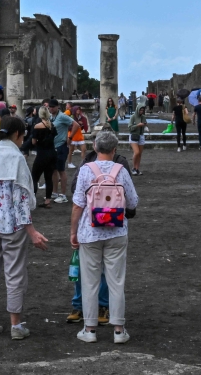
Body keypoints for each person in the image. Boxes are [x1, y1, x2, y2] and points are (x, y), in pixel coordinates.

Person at [0, 116, 49, 340]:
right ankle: (16, 326)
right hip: (11, 223)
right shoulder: (16, 158)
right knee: (14, 273)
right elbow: (21, 197)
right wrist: (31, 230)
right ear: (17, 135)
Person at [70, 129, 138, 344]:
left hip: (90, 231)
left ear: (95, 147)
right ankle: (119, 329)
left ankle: (89, 329)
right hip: (117, 230)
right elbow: (133, 202)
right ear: (115, 149)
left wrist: (73, 231)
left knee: (89, 281)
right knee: (116, 281)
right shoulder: (121, 170)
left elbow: (77, 204)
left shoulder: (85, 170)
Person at [30, 107, 57, 209]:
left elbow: (33, 142)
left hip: (42, 154)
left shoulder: (37, 126)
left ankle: (32, 199)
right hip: (52, 154)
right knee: (48, 178)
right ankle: (47, 201)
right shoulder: (52, 126)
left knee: (35, 177)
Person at [48, 100, 73, 203]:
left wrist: (70, 137)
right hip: (53, 146)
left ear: (58, 107)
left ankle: (63, 195)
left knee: (61, 170)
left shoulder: (62, 116)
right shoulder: (51, 117)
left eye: (53, 107)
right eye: (50, 107)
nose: (51, 108)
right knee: (53, 170)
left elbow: (74, 124)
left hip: (61, 146)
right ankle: (54, 192)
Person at [128, 106, 147, 175]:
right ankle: (133, 168)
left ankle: (137, 168)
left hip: (141, 135)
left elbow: (145, 124)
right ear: (137, 110)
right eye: (140, 110)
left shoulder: (143, 117)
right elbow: (130, 128)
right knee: (136, 152)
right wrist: (137, 125)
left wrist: (145, 125)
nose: (141, 112)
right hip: (134, 135)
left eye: (142, 110)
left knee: (140, 154)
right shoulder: (133, 117)